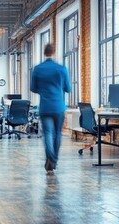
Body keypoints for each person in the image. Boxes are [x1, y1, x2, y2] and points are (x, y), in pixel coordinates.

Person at [31, 43, 71, 173]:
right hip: (59, 106)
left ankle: (50, 158)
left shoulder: (37, 69)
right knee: (57, 134)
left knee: (48, 133)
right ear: (54, 53)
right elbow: (68, 88)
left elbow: (33, 88)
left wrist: (44, 90)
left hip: (45, 106)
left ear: (44, 53)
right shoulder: (61, 68)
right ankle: (53, 160)